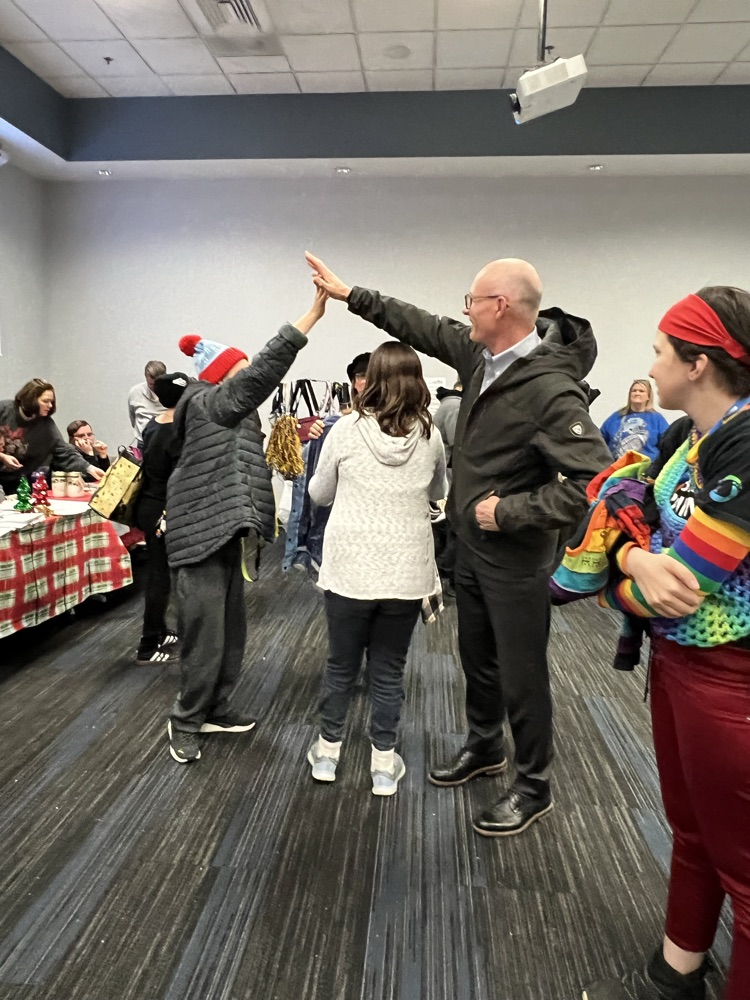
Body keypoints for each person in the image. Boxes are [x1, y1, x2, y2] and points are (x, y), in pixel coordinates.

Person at [306, 251, 611, 835]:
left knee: (522, 672)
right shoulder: (481, 356)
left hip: (516, 558)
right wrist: (352, 295)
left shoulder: (552, 390)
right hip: (471, 551)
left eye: (471, 301)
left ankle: (533, 783)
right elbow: (418, 323)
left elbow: (593, 483)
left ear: (500, 306)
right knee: (478, 659)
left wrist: (514, 510)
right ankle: (484, 746)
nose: (463, 310)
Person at [581, 287, 750, 1000]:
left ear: (699, 363)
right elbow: (615, 522)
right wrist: (629, 560)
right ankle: (678, 967)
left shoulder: (744, 441)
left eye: (660, 351)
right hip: (677, 662)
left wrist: (624, 571)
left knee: (744, 862)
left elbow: (681, 584)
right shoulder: (686, 439)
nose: (650, 363)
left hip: (733, 677)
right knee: (689, 827)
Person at [165, 289, 327, 764]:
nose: (246, 381)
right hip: (200, 536)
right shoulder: (206, 402)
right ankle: (186, 719)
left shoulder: (230, 414)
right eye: (238, 373)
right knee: (204, 635)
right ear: (221, 377)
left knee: (231, 632)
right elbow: (261, 374)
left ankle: (215, 707)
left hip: (227, 535)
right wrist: (310, 318)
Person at [306, 342, 446, 796]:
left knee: (341, 665)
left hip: (350, 568)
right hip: (405, 573)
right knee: (388, 669)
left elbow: (319, 494)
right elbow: (437, 490)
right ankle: (383, 764)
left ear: (371, 380)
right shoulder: (431, 435)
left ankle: (328, 754)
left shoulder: (345, 430)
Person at [131, 373, 189, 665]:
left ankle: (161, 630)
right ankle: (147, 645)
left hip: (151, 506)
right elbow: (178, 478)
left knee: (162, 573)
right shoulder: (177, 432)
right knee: (159, 577)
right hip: (161, 511)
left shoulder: (155, 425)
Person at [0, 378, 105, 495]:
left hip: (17, 483)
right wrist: (2, 456)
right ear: (31, 399)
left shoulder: (46, 425)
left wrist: (89, 468)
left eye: (52, 401)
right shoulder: (3, 409)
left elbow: (64, 451)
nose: (50, 405)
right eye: (45, 401)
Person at [600, 378, 669, 462]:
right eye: (634, 391)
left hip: (646, 470)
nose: (637, 393)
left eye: (641, 391)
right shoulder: (616, 417)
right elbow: (600, 441)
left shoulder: (656, 419)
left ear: (648, 396)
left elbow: (668, 444)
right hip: (618, 469)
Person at [128, 360, 167, 450]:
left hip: (167, 443)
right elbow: (133, 418)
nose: (156, 387)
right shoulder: (135, 393)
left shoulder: (174, 392)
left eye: (159, 383)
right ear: (146, 378)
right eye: (151, 384)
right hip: (143, 444)